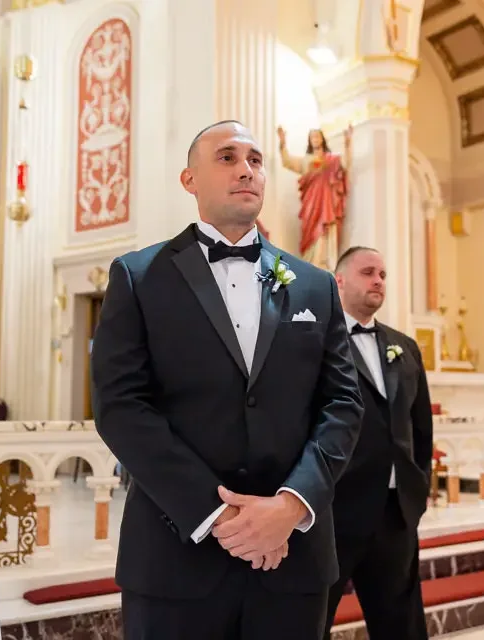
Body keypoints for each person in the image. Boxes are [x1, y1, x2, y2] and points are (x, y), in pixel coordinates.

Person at [90, 120, 364, 640]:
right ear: (188, 179)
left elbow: (343, 405)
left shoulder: (316, 286)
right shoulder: (139, 277)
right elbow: (121, 406)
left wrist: (291, 504)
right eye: (227, 157)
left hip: (293, 558)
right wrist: (216, 514)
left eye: (257, 160)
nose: (246, 169)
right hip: (176, 555)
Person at [323, 246, 433, 640]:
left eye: (383, 275)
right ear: (339, 281)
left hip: (394, 512)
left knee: (400, 623)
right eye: (368, 272)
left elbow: (420, 428)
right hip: (334, 510)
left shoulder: (403, 346)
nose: (378, 281)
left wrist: (416, 490)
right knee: (311, 619)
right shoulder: (316, 341)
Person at [276, 125, 352, 271]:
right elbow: (288, 162)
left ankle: (325, 264)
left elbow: (345, 164)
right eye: (312, 137)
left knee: (326, 231)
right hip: (311, 205)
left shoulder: (331, 160)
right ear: (309, 141)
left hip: (327, 204)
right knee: (311, 233)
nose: (315, 139)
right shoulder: (306, 161)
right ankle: (312, 262)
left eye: (317, 136)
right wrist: (283, 143)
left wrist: (348, 144)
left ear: (322, 139)